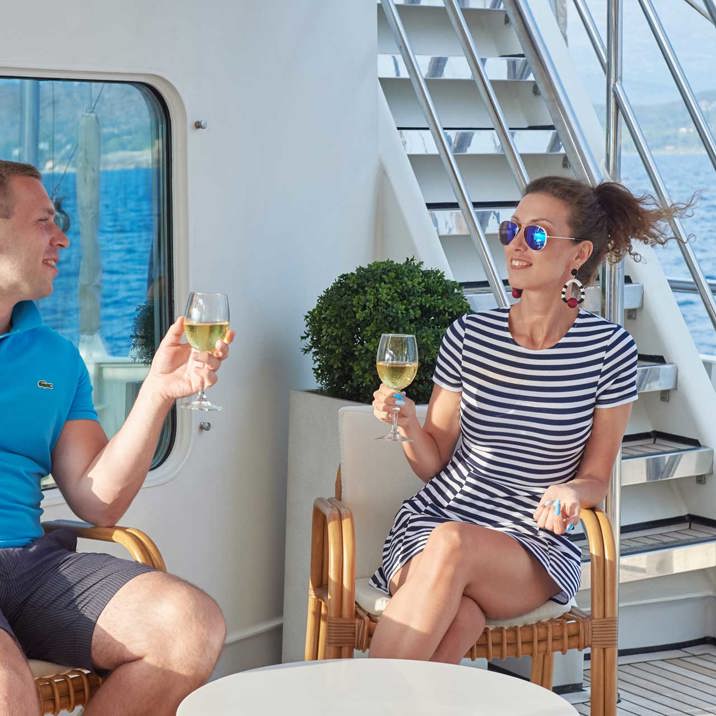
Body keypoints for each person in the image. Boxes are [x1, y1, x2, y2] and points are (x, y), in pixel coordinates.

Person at [369, 175, 680, 663]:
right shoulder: (470, 334)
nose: (516, 244)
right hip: (432, 525)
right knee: (462, 614)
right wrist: (409, 425)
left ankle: (350, 702)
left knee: (455, 549)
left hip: (530, 546)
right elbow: (433, 464)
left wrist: (570, 492)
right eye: (510, 229)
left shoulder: (608, 351)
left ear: (577, 255)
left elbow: (596, 477)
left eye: (535, 235)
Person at [0, 160, 233, 714]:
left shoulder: (56, 357)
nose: (61, 238)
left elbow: (97, 499)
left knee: (189, 627)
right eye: (44, 222)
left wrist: (155, 392)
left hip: (29, 565)